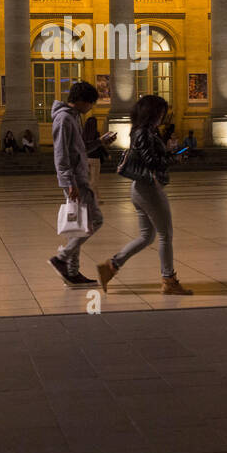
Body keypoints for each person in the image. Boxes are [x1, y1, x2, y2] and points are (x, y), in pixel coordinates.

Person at [97, 94, 192, 295]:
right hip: (149, 188)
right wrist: (175, 158)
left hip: (140, 188)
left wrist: (173, 154)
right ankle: (169, 280)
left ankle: (111, 266)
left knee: (147, 236)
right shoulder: (144, 133)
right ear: (152, 113)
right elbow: (153, 162)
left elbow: (154, 158)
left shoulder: (143, 131)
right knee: (166, 234)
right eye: (161, 113)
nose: (163, 117)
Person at [50, 82, 101, 287]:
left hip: (79, 177)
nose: (91, 107)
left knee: (78, 226)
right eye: (90, 103)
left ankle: (72, 272)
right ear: (80, 101)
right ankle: (61, 259)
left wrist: (101, 142)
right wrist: (69, 183)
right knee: (96, 220)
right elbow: (61, 154)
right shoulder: (64, 119)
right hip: (74, 180)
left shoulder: (74, 117)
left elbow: (79, 150)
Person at [82, 114, 115, 202]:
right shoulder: (96, 134)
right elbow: (100, 146)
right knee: (94, 180)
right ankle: (93, 198)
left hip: (85, 158)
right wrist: (107, 154)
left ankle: (95, 196)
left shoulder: (83, 134)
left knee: (88, 179)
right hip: (95, 159)